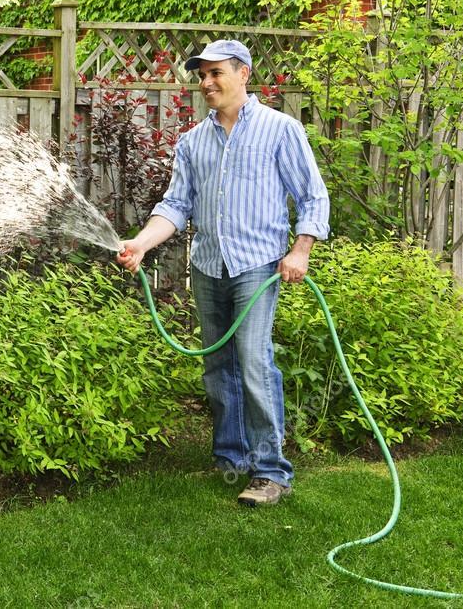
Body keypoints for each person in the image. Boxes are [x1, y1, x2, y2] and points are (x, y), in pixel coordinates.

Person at [117, 39, 330, 506]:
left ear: (243, 74)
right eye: (202, 75)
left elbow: (313, 196)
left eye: (216, 73)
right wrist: (141, 243)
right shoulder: (193, 141)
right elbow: (175, 206)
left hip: (257, 266)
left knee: (254, 362)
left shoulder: (279, 130)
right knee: (218, 366)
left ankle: (271, 471)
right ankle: (232, 459)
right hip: (209, 266)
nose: (207, 83)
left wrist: (301, 250)